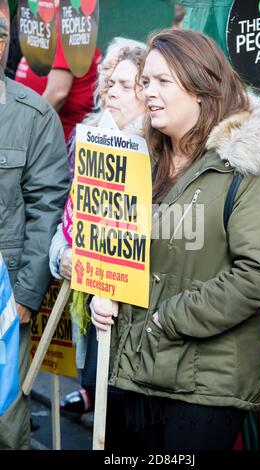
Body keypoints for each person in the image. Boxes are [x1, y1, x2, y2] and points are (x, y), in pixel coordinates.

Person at [90, 29, 260, 450]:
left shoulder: (249, 173)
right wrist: (104, 291)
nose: (149, 93)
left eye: (164, 81)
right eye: (145, 82)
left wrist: (171, 318)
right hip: (133, 373)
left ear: (201, 88)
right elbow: (119, 249)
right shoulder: (139, 164)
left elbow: (258, 274)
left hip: (203, 389)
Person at [49, 44, 146, 417]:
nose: (110, 90)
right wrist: (64, 256)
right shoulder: (93, 139)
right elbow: (69, 221)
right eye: (110, 81)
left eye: (124, 83)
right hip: (96, 319)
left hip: (137, 334)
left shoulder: (161, 155)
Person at [0, 16, 69, 449]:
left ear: (4, 44)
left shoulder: (34, 116)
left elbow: (48, 209)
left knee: (6, 424)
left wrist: (25, 295)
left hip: (3, 299)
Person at [15, 5, 101, 142]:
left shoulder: (64, 18)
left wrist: (20, 130)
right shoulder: (40, 13)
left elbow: (57, 92)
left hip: (52, 141)